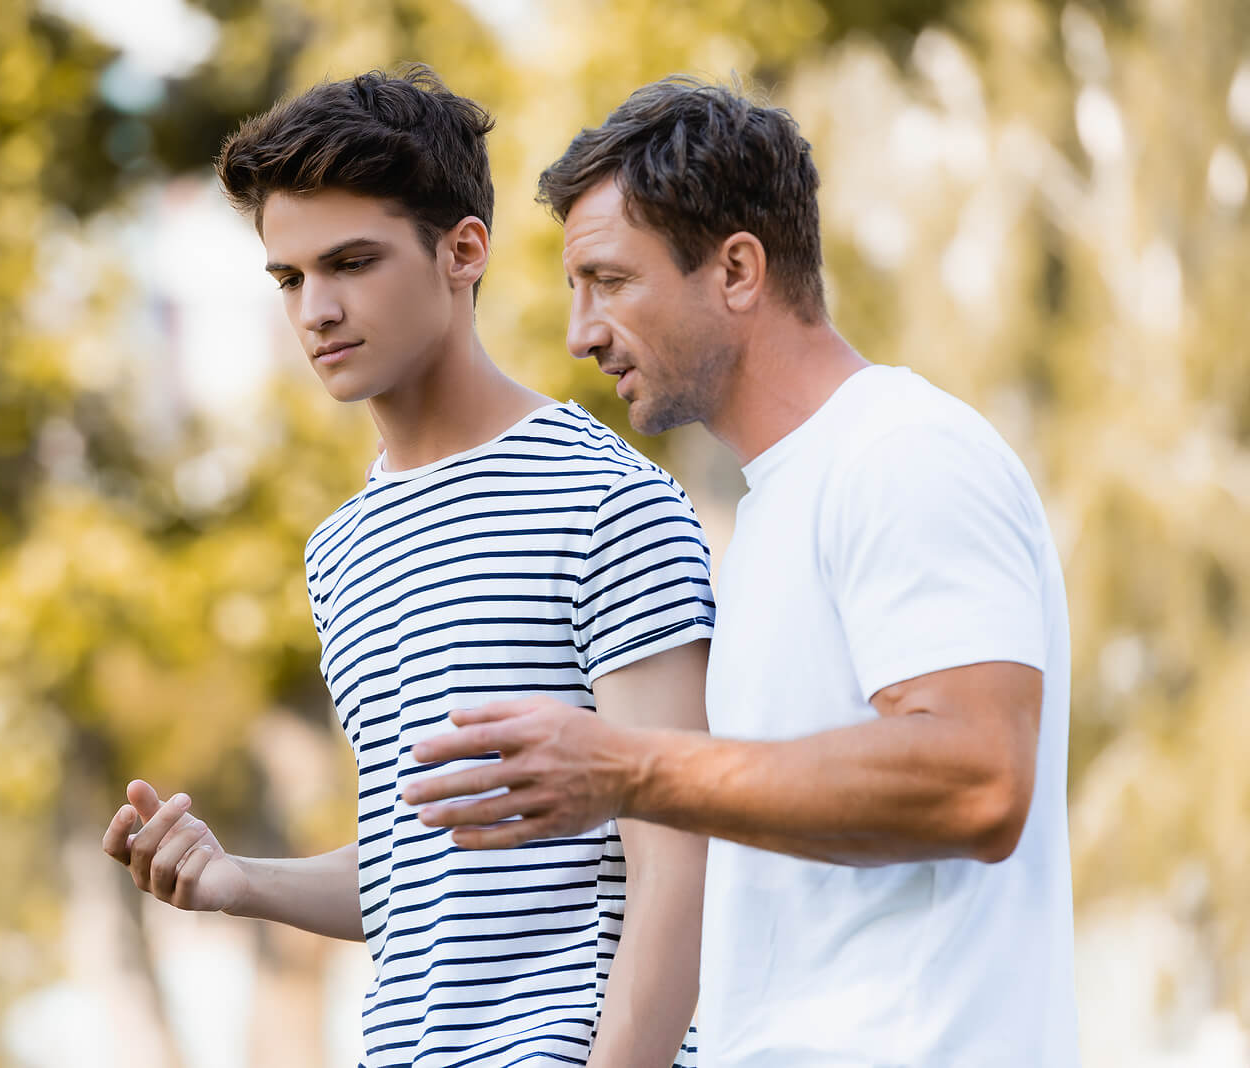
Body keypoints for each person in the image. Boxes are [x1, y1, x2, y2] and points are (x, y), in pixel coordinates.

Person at [404, 76, 1081, 1066]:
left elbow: (976, 777)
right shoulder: (774, 511)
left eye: (610, 281)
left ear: (734, 270)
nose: (580, 333)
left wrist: (628, 767)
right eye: (573, 290)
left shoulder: (902, 452)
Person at [101, 67, 713, 1068]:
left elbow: (679, 860)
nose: (316, 311)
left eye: (352, 262)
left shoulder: (605, 499)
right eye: (291, 278)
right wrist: (237, 880)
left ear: (462, 252)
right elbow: (416, 876)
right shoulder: (341, 549)